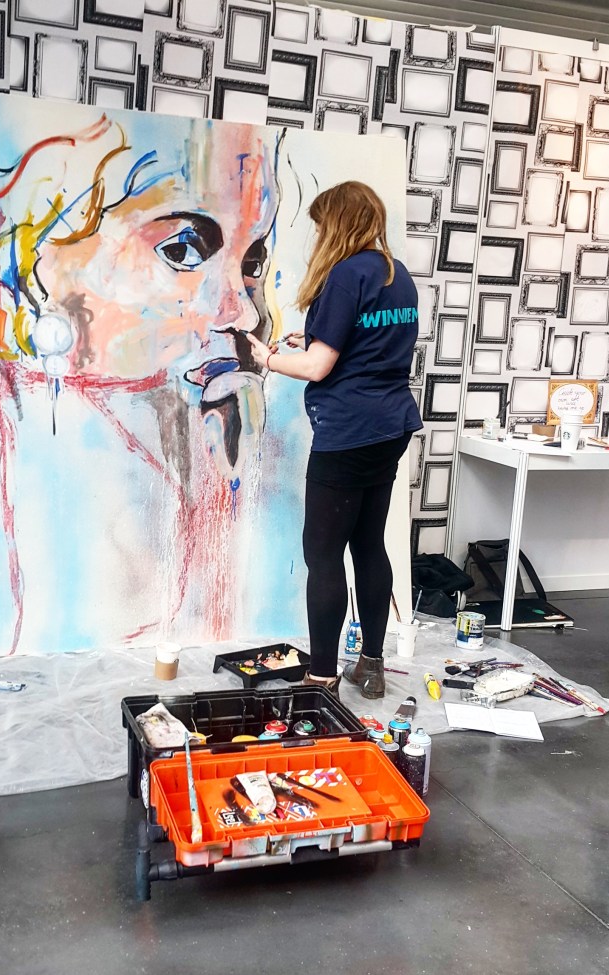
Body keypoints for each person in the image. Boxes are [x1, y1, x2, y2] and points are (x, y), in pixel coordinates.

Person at [0, 114, 283, 652]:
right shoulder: (38, 444)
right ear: (44, 262)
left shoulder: (223, 416)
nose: (243, 313)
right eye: (182, 250)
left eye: (251, 261)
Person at [247, 181, 422, 699]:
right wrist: (312, 338)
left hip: (348, 432)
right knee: (369, 545)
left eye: (323, 225)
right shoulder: (397, 275)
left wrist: (268, 358)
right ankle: (371, 665)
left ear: (338, 224)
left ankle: (321, 677)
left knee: (322, 554)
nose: (319, 234)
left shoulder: (345, 275)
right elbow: (368, 342)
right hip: (390, 427)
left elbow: (319, 368)